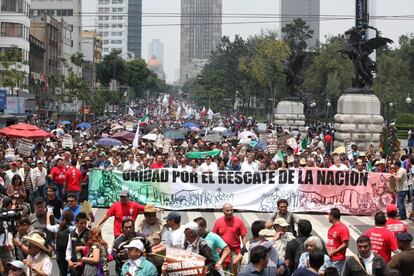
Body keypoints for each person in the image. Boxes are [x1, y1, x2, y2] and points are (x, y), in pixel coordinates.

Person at [212, 203, 247, 273]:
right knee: (223, 271)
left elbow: (243, 237)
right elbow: (214, 237)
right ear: (223, 211)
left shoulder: (239, 222)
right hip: (223, 251)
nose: (230, 212)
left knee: (235, 271)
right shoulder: (218, 222)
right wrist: (215, 250)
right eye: (227, 210)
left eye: (231, 210)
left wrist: (245, 250)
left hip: (235, 251)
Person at [46, 209, 74, 276]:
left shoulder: (58, 227)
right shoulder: (72, 228)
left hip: (59, 254)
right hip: (70, 254)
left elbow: (48, 227)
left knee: (62, 272)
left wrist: (47, 216)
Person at [326, 208, 349, 273]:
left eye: (329, 215)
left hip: (338, 260)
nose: (328, 217)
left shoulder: (343, 228)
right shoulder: (331, 228)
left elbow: (345, 244)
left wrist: (333, 252)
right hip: (329, 259)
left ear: (332, 216)